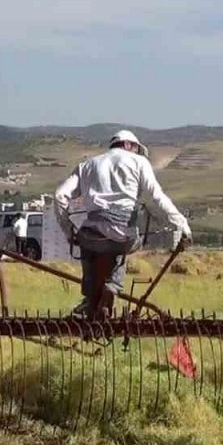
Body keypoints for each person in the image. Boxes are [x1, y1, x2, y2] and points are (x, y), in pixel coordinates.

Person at [54, 129, 192, 315]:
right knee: (124, 242)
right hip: (123, 233)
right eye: (136, 149)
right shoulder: (139, 162)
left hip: (93, 233)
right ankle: (112, 287)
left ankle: (90, 297)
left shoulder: (87, 165)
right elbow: (156, 197)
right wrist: (182, 225)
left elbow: (59, 196)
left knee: (86, 243)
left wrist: (69, 231)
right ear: (128, 144)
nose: (136, 152)